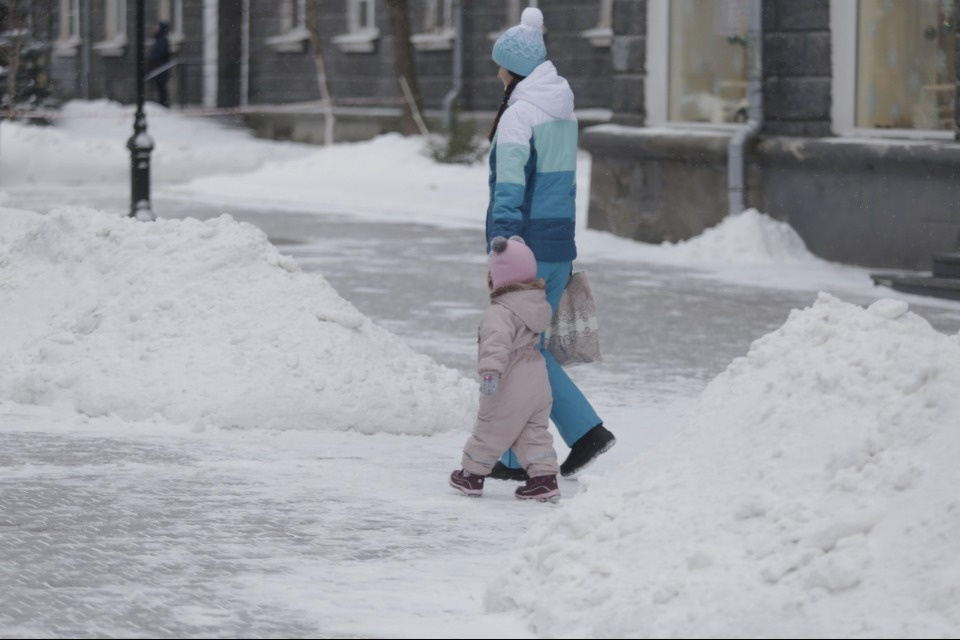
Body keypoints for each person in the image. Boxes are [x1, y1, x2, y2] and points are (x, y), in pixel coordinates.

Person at [484, 7, 616, 481]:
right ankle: (518, 458)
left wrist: (502, 243)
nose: (496, 72)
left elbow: (511, 188)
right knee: (528, 347)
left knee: (523, 352)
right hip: (558, 242)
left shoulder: (521, 114)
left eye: (499, 64)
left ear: (513, 68)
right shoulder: (561, 108)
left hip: (526, 250)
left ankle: (586, 431)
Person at [449, 236, 560, 502]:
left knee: (492, 425)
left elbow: (495, 345)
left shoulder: (499, 312)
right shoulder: (536, 304)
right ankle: (544, 480)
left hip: (510, 378)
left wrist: (490, 373)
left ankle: (472, 475)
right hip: (538, 378)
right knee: (533, 430)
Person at [147, 22, 172, 107]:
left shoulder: (162, 40)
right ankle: (163, 103)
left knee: (161, 88)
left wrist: (151, 61)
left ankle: (163, 104)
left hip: (160, 69)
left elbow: (158, 54)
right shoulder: (160, 40)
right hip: (159, 68)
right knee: (160, 88)